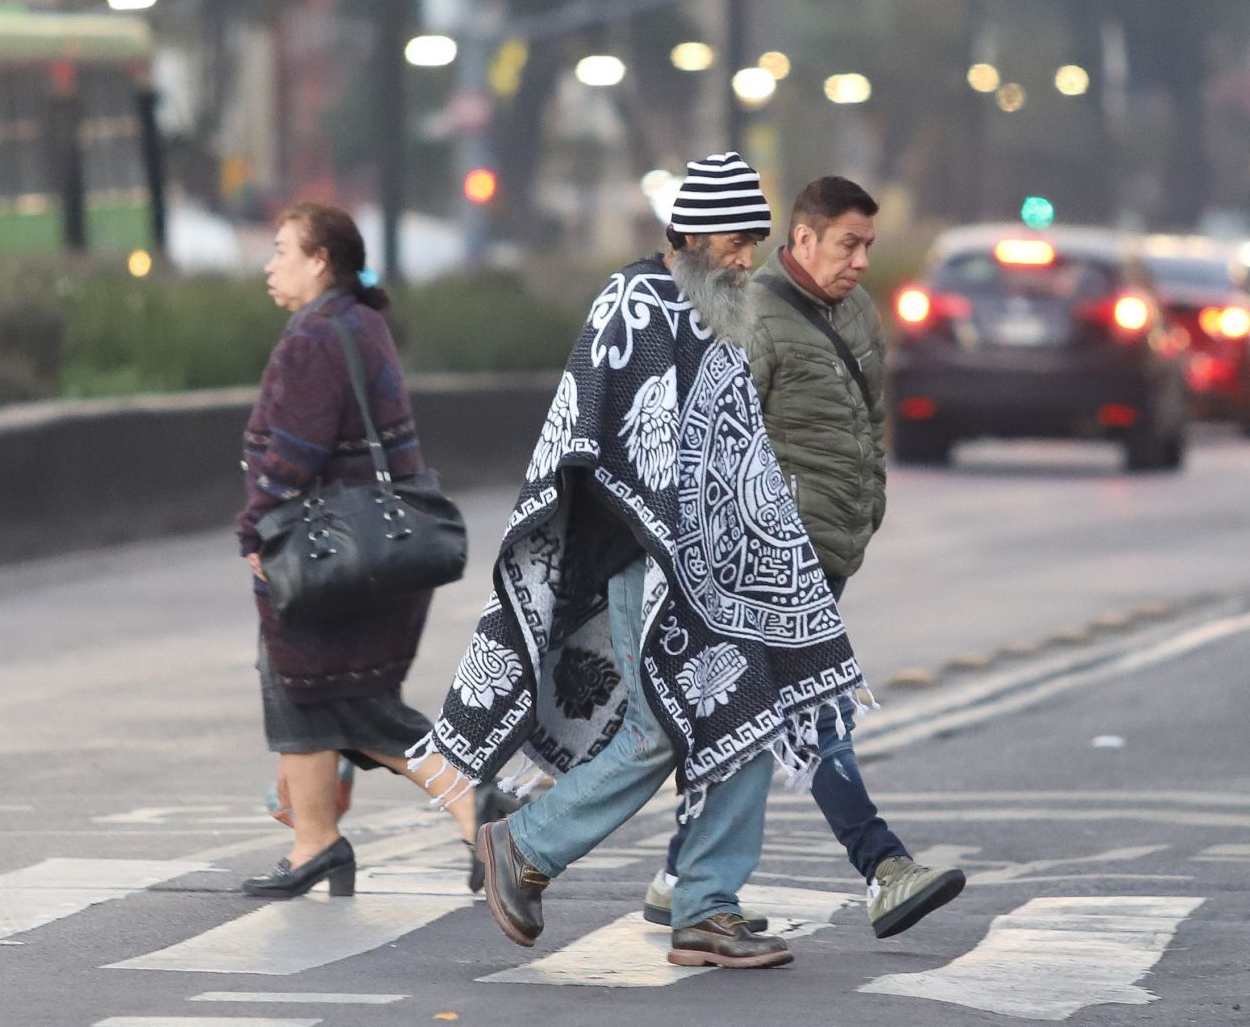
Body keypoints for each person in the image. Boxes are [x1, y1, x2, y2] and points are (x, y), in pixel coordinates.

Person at [413, 154, 868, 970]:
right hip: (643, 556)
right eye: (737, 242)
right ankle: (524, 844)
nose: (747, 259)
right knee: (660, 730)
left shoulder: (720, 312)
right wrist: (671, 532)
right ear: (692, 234)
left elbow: (735, 448)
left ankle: (707, 909)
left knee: (746, 718)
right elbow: (597, 434)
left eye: (754, 243)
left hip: (720, 570)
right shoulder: (634, 301)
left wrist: (763, 545)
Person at [641, 176, 965, 938]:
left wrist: (870, 503)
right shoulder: (753, 315)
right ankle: (884, 869)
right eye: (847, 244)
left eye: (868, 246)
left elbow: (870, 419)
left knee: (753, 717)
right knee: (816, 711)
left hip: (834, 545)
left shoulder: (856, 311)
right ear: (805, 238)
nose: (860, 261)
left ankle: (677, 877)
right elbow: (716, 440)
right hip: (772, 559)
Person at [236, 202, 502, 899]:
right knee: (311, 693)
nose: (270, 265)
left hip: (328, 552)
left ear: (320, 260)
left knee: (345, 701)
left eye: (282, 250)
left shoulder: (313, 338)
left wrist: (254, 529)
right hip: (376, 547)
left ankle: (470, 800)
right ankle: (315, 841)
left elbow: (292, 454)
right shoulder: (361, 321)